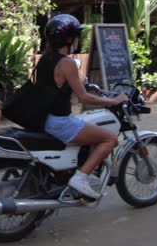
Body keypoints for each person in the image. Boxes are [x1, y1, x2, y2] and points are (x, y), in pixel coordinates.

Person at [30, 14, 128, 199]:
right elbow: (83, 97)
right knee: (110, 139)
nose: (77, 39)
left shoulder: (46, 59)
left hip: (44, 119)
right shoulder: (67, 62)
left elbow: (58, 83)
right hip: (59, 122)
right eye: (75, 35)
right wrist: (113, 101)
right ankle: (81, 178)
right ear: (68, 38)